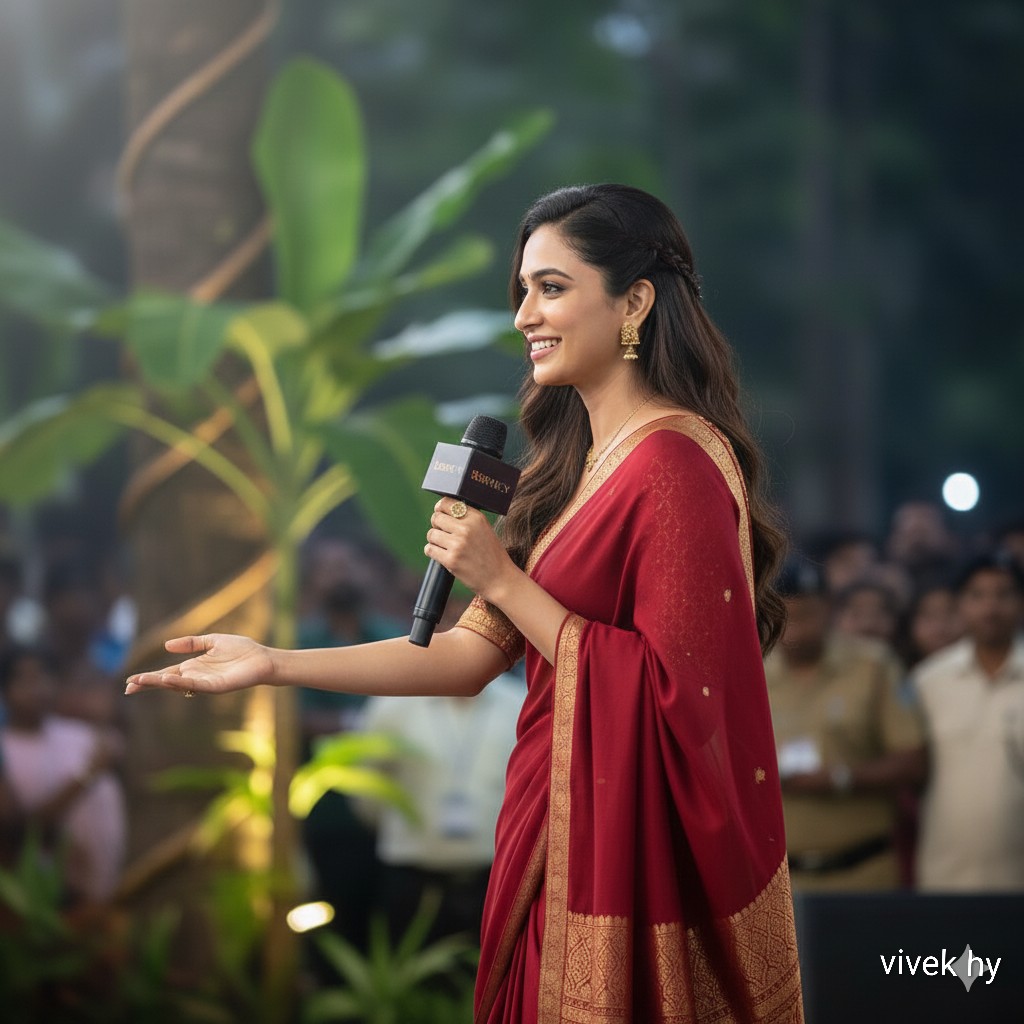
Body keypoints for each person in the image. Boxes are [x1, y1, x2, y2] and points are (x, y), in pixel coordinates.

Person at [126, 183, 804, 1023]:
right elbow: (464, 656)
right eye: (521, 290)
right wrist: (271, 664)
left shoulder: (673, 466)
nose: (524, 315)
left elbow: (677, 696)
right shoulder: (574, 469)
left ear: (634, 302)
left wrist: (504, 580)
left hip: (624, 851)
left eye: (551, 288)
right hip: (550, 833)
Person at [764, 558, 926, 891]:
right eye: (785, 618)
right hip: (783, 881)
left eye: (807, 615)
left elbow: (913, 762)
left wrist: (840, 778)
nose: (796, 629)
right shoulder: (754, 672)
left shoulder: (873, 664)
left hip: (864, 871)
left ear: (829, 609)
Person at [358, 668, 525, 946]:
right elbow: (367, 787)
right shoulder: (393, 705)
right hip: (410, 877)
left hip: (495, 880)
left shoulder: (517, 701)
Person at [911, 551, 1024, 891]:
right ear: (960, 605)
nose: (991, 608)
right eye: (977, 595)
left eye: (1003, 594)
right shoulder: (929, 681)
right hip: (946, 876)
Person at [0, 645, 127, 904]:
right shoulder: (6, 748)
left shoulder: (79, 735)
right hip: (43, 896)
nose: (38, 689)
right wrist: (87, 774)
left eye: (43, 677)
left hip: (104, 886)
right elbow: (22, 830)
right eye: (25, 680)